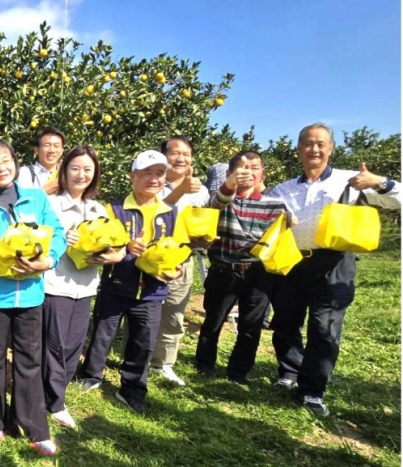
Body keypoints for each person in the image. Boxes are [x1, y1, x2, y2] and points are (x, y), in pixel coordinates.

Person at [267, 123, 400, 416]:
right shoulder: (283, 188)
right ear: (299, 149)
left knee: (325, 328)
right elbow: (262, 215)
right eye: (308, 144)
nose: (314, 149)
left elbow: (398, 199)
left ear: (331, 149)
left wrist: (378, 181)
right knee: (286, 321)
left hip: (335, 263)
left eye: (321, 144)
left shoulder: (351, 181)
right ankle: (289, 371)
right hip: (293, 261)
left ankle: (312, 390)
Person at [0, 139, 66, 456]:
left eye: (5, 160)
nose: (1, 167)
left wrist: (48, 260)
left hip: (30, 296)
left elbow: (57, 234)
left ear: (15, 162)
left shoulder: (35, 199)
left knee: (29, 362)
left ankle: (34, 426)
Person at [78, 150, 182, 413]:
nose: (153, 178)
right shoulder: (113, 209)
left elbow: (179, 250)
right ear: (132, 176)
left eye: (159, 173)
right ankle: (90, 376)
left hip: (153, 291)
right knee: (102, 333)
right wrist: (126, 249)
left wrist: (176, 270)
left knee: (142, 342)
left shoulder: (171, 212)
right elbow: (100, 246)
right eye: (146, 172)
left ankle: (133, 389)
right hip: (116, 286)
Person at [194, 152, 292, 384]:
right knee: (213, 321)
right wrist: (230, 186)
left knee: (251, 326)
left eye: (254, 167)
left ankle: (238, 372)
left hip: (259, 274)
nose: (249, 171)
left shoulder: (275, 204)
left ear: (262, 174)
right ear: (230, 174)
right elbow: (217, 202)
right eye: (242, 167)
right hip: (223, 269)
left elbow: (283, 234)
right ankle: (204, 365)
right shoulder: (221, 199)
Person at [42, 146, 121, 429]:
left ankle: (54, 395)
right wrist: (62, 238)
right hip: (55, 284)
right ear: (64, 171)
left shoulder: (98, 209)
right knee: (54, 345)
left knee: (74, 345)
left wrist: (108, 254)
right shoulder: (50, 204)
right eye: (75, 168)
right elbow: (36, 240)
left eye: (88, 169)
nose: (81, 174)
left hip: (85, 286)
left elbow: (116, 249)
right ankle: (52, 402)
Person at [150, 136, 211, 387]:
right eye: (175, 153)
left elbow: (202, 221)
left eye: (186, 154)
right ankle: (137, 356)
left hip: (182, 257)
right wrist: (180, 190)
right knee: (145, 308)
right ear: (164, 157)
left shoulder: (201, 191)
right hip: (152, 257)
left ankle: (164, 363)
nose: (181, 158)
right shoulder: (153, 181)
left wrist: (204, 238)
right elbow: (155, 213)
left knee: (175, 311)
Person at [17, 127, 65, 195]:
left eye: (56, 146)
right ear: (36, 150)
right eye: (47, 145)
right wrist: (49, 188)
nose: (52, 150)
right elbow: (26, 202)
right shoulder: (25, 173)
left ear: (62, 151)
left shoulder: (66, 174)